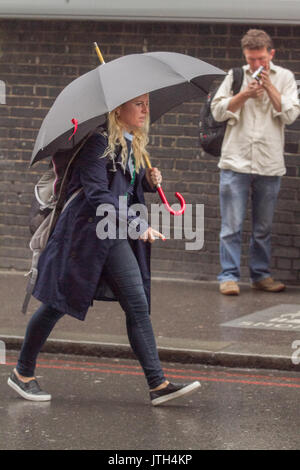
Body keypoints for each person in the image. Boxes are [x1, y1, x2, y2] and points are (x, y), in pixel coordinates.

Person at [8, 93, 200, 405]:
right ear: (118, 108)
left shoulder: (130, 142)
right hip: (85, 235)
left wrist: (148, 181)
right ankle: (22, 373)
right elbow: (98, 194)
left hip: (112, 233)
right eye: (138, 103)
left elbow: (124, 189)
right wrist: (138, 226)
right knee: (56, 304)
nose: (145, 109)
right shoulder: (98, 143)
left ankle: (158, 384)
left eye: (146, 103)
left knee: (136, 304)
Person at [211, 29, 300, 296]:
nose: (256, 65)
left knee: (263, 227)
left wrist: (270, 87)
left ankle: (261, 275)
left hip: (268, 163)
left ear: (270, 54)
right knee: (231, 225)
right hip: (234, 161)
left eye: (260, 59)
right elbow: (217, 112)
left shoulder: (284, 77)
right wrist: (245, 95)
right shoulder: (235, 76)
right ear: (245, 56)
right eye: (251, 59)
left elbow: (291, 115)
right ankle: (228, 276)